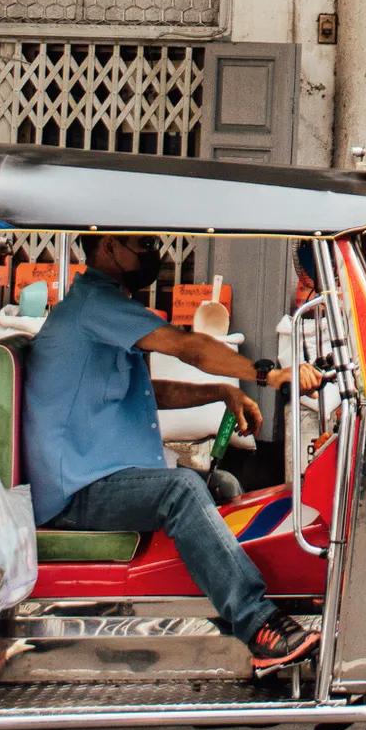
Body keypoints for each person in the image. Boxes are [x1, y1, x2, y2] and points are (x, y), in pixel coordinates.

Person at [22, 230, 324, 678]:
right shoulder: (94, 307)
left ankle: (231, 624)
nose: (155, 255)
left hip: (104, 475)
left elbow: (150, 391)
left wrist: (222, 392)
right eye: (144, 246)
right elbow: (189, 347)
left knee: (222, 487)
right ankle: (259, 623)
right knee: (180, 490)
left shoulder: (109, 310)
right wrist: (268, 374)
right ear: (108, 246)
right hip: (76, 491)